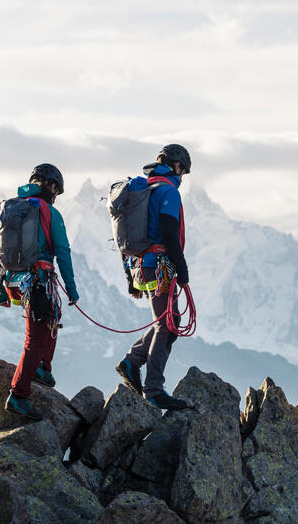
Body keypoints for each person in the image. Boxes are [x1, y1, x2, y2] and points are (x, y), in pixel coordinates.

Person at [0, 163, 79, 420]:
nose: (56, 194)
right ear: (50, 185)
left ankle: (43, 368)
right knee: (35, 338)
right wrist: (72, 289)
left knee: (51, 317)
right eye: (56, 189)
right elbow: (62, 252)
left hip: (14, 282)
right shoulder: (49, 213)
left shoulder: (11, 211)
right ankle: (18, 395)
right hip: (38, 281)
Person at [115, 144, 191, 410]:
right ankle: (153, 388)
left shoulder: (144, 189)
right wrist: (182, 270)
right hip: (160, 266)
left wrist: (130, 278)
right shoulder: (168, 191)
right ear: (178, 166)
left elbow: (127, 236)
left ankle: (132, 360)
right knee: (168, 324)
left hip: (141, 266)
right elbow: (170, 233)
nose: (182, 177)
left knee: (168, 320)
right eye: (183, 171)